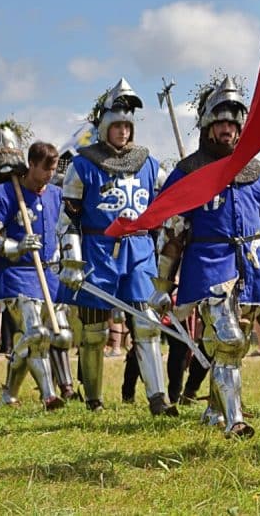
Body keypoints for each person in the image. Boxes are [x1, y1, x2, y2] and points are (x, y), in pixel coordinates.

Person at [149, 77, 260, 435]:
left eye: (234, 123)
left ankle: (215, 410)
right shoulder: (189, 172)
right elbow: (172, 232)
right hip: (209, 264)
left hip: (251, 265)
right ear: (208, 125)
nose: (227, 129)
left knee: (236, 344)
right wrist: (162, 284)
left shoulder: (256, 172)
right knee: (230, 339)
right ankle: (234, 421)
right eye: (221, 122)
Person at [58, 78, 176, 415]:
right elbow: (68, 220)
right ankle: (94, 398)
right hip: (98, 251)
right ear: (104, 127)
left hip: (139, 252)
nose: (123, 132)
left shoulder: (150, 165)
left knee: (146, 324)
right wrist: (72, 260)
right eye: (117, 125)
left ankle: (158, 398)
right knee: (94, 331)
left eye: (127, 126)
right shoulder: (82, 166)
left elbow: (169, 206)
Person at [0, 135, 67, 410]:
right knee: (35, 333)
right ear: (31, 164)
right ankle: (49, 395)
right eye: (45, 168)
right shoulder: (1, 196)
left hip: (48, 275)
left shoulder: (56, 195)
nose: (49, 175)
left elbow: (67, 230)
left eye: (53, 169)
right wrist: (14, 245)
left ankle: (9, 394)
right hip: (16, 275)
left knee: (41, 338)